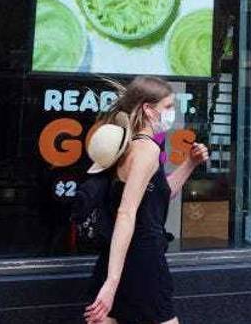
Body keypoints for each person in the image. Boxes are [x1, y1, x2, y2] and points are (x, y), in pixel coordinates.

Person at [83, 76, 208, 324]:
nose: (172, 113)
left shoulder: (128, 146)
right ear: (149, 110)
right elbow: (126, 213)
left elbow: (156, 197)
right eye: (168, 107)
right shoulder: (147, 151)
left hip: (118, 255)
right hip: (143, 258)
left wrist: (190, 163)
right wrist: (111, 283)